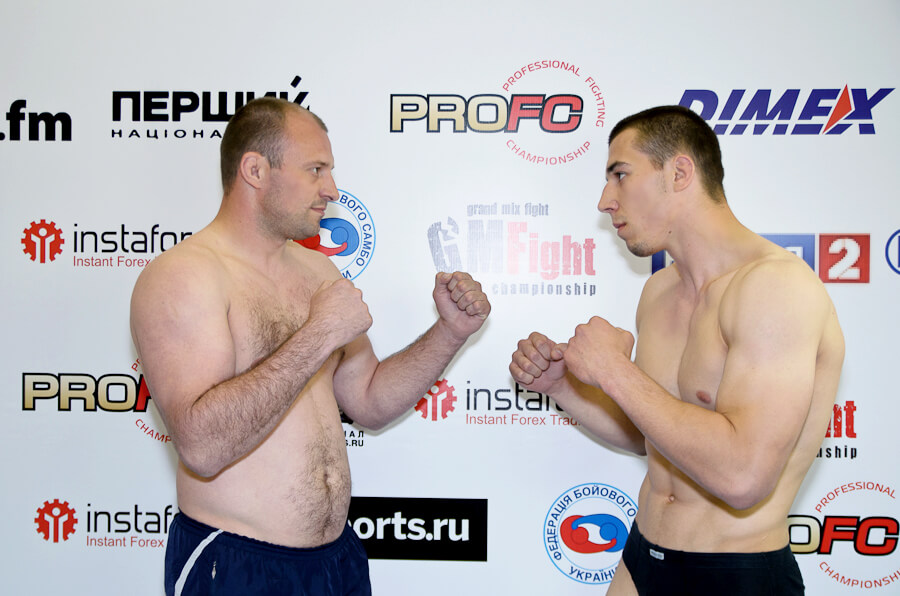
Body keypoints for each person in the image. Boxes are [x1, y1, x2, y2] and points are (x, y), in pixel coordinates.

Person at [130, 97, 490, 596]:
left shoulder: (317, 271)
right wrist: (318, 333)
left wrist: (449, 332)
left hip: (336, 561)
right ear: (255, 170)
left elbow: (369, 400)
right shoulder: (185, 276)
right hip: (236, 563)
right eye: (315, 170)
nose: (332, 190)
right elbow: (203, 447)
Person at [510, 105, 843, 595]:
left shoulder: (775, 287)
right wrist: (562, 387)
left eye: (621, 175)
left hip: (735, 573)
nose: (605, 200)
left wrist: (614, 371)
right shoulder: (660, 290)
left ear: (680, 173)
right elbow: (656, 434)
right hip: (644, 555)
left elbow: (742, 476)